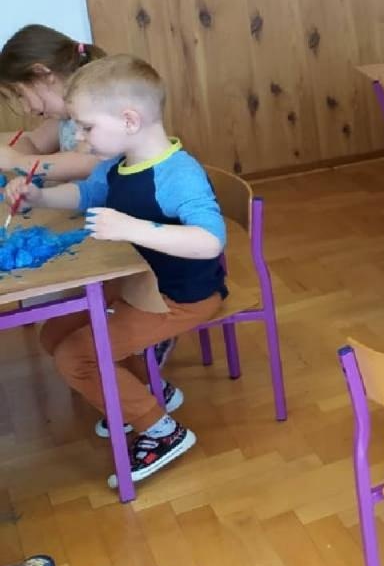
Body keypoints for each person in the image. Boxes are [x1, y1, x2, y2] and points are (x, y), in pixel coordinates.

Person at [6, 55, 227, 487]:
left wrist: (133, 228)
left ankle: (161, 431)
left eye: (87, 127)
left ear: (129, 120)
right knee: (53, 334)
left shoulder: (177, 174)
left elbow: (210, 241)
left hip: (180, 298)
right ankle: (149, 391)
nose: (79, 138)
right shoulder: (119, 163)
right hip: (137, 285)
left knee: (76, 357)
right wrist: (40, 198)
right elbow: (87, 193)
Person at [0, 24, 108, 181]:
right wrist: (7, 157)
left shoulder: (99, 108)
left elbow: (87, 162)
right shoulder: (64, 118)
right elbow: (33, 143)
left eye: (20, 94)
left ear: (42, 73)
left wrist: (17, 162)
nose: (26, 109)